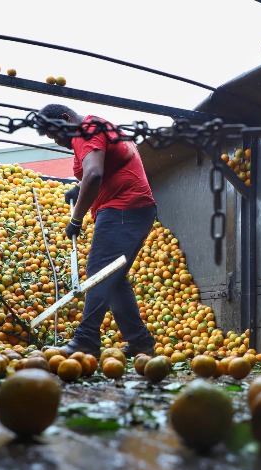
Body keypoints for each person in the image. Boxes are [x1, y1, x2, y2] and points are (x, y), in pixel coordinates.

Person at [35, 104, 157, 358]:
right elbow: (109, 167)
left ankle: (86, 339)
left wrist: (76, 218)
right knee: (112, 277)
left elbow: (93, 175)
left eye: (56, 134)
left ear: (66, 119)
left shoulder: (86, 130)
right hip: (133, 208)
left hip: (124, 208)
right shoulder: (96, 126)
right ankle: (140, 341)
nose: (58, 142)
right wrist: (78, 190)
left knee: (99, 273)